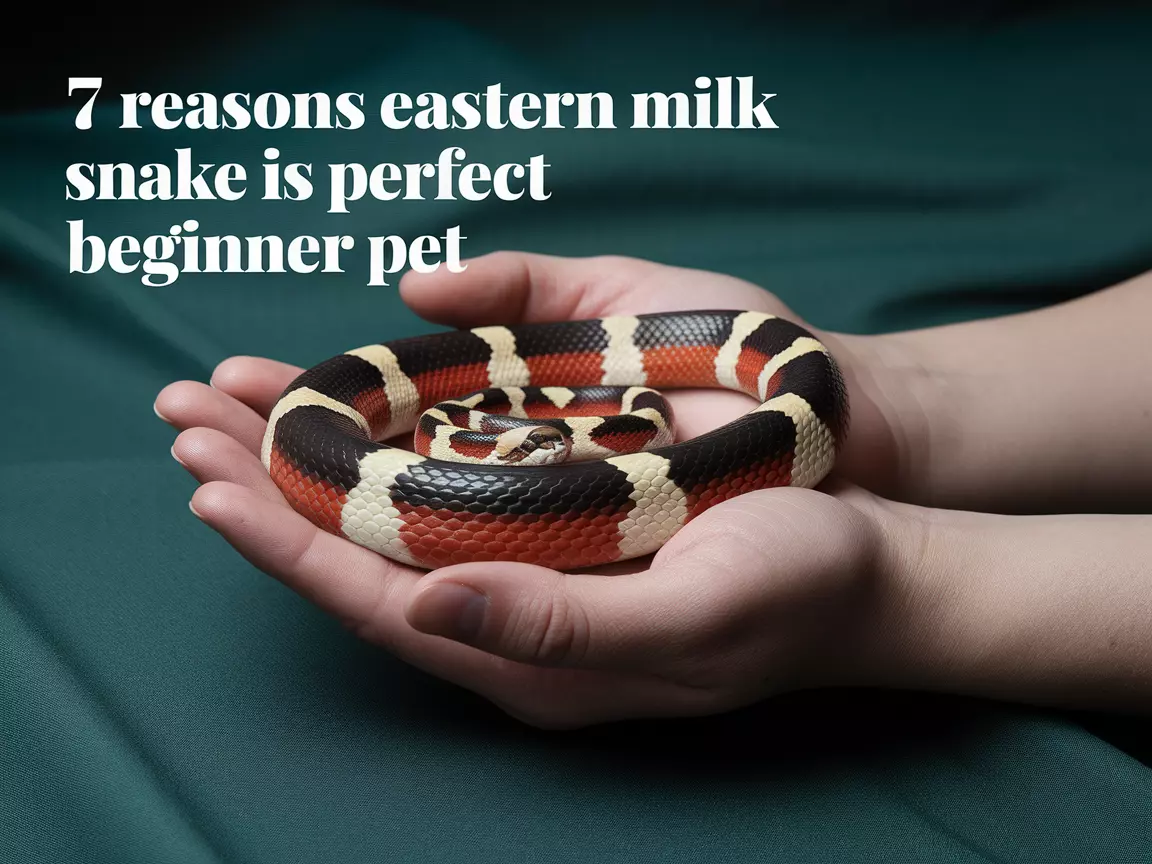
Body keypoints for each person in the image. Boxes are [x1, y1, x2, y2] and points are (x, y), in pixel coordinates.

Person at [154, 252, 1152, 729]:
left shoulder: (595, 432)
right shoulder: (491, 426)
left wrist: (903, 589)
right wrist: (892, 404)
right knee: (299, 410)